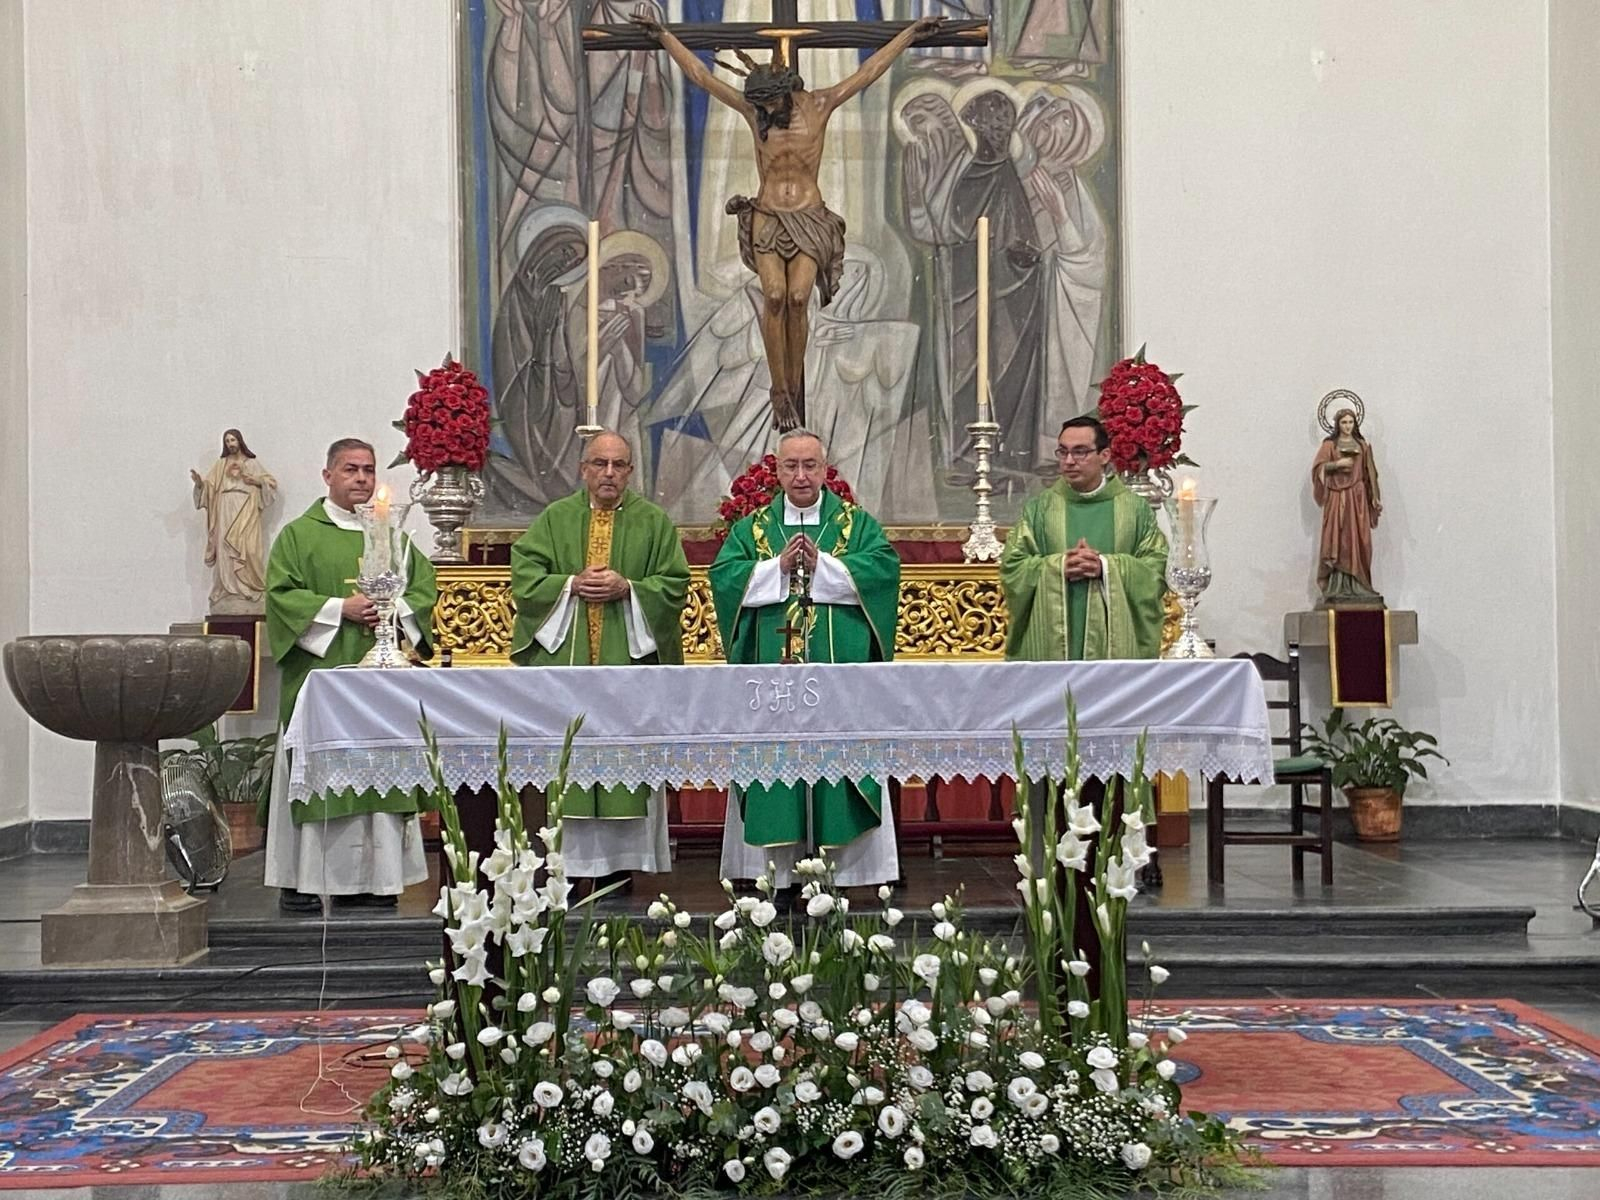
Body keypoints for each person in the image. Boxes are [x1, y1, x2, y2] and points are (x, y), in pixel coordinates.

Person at [630, 11, 945, 430]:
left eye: (769, 105)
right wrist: (665, 36)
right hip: (767, 216)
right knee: (774, 296)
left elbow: (869, 71)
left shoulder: (819, 105)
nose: (763, 114)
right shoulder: (754, 112)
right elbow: (702, 78)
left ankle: (795, 384)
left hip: (810, 217)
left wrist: (907, 34)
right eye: (758, 107)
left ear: (786, 93)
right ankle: (779, 389)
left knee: (799, 299)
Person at [709, 430, 901, 895]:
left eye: (810, 465)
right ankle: (781, 876)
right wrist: (773, 568)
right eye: (791, 466)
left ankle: (844, 874)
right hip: (773, 686)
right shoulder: (753, 529)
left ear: (825, 468)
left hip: (839, 683)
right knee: (777, 767)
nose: (801, 475)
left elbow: (884, 570)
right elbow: (724, 578)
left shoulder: (855, 526)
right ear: (776, 471)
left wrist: (829, 568)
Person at [509, 431, 689, 894]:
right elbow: (526, 578)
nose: (609, 473)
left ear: (630, 471)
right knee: (568, 768)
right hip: (567, 674)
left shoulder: (654, 523)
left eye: (619, 465)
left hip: (625, 675)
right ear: (583, 469)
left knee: (620, 764)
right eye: (600, 463)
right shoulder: (555, 519)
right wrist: (569, 585)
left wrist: (630, 589)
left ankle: (619, 867)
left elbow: (673, 585)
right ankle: (563, 868)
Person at [262, 439, 437, 914]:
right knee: (319, 773)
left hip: (381, 690)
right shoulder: (299, 536)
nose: (361, 479)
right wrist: (342, 609)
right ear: (327, 476)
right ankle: (301, 879)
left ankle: (377, 881)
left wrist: (385, 608)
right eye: (350, 470)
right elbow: (279, 598)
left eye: (368, 470)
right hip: (321, 682)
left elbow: (423, 590)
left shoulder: (391, 535)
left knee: (379, 771)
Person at [1000, 415, 1167, 660]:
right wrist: (1058, 567)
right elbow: (1012, 568)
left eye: (1080, 452)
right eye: (1063, 452)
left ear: (1105, 456)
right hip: (1052, 648)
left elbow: (1155, 570)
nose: (1069, 461)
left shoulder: (1134, 510)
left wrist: (1105, 566)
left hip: (1115, 652)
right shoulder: (1039, 510)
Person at [191, 429, 278, 614]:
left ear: (240, 441)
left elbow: (270, 483)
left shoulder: (252, 463)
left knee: (249, 549)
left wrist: (255, 480)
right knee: (225, 550)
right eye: (227, 441)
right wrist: (200, 484)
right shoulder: (221, 465)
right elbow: (209, 488)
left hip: (246, 507)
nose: (231, 443)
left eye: (233, 439)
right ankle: (228, 591)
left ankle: (250, 589)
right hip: (225, 509)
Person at [1312, 408, 1383, 604]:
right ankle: (1337, 585)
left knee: (1360, 542)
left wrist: (1374, 498)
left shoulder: (1362, 445)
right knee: (1338, 540)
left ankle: (1360, 585)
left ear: (1355, 424)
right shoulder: (1329, 445)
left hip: (1357, 499)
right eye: (1344, 422)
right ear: (1337, 424)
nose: (1347, 426)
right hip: (1338, 498)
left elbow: (1371, 474)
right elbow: (1318, 468)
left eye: (1351, 422)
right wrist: (1336, 465)